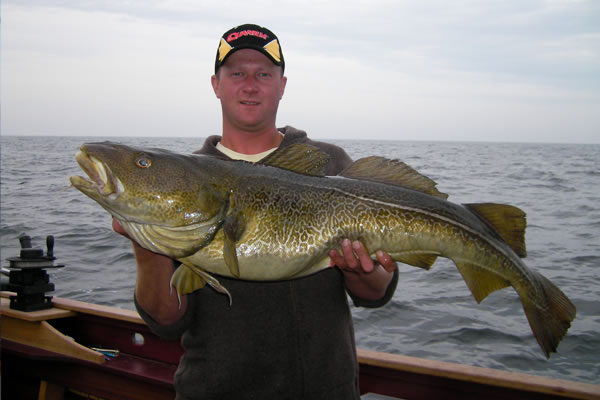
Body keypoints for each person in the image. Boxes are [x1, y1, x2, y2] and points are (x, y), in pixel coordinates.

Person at [113, 24, 398, 400]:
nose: (250, 85)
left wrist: (360, 270)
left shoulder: (329, 164)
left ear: (282, 85)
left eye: (263, 74)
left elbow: (376, 293)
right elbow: (166, 322)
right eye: (237, 74)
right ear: (216, 84)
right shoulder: (183, 181)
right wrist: (147, 249)